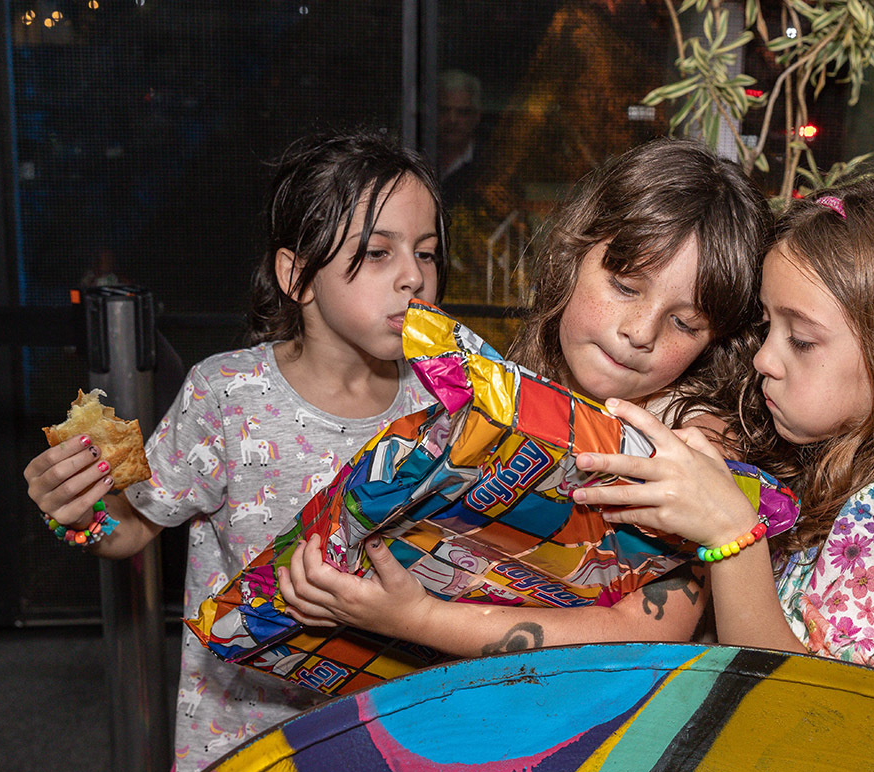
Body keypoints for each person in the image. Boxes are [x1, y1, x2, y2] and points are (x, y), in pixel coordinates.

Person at [23, 127, 449, 772]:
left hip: (391, 745)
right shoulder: (226, 395)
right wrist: (76, 516)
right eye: (376, 252)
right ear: (296, 275)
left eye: (425, 253)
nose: (414, 276)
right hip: (244, 749)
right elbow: (134, 525)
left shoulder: (447, 404)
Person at [570, 171, 874, 702]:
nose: (763, 359)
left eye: (801, 340)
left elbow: (808, 709)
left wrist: (731, 535)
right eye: (767, 327)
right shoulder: (844, 475)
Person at [277, 137, 769, 658]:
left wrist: (416, 617)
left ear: (715, 340)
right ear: (572, 254)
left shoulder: (694, 445)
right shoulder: (515, 385)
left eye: (684, 323)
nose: (641, 332)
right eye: (625, 287)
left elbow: (651, 632)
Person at [437, 69, 484, 206]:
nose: (452, 120)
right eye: (444, 110)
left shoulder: (490, 164)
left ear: (476, 116)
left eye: (462, 112)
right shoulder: (417, 155)